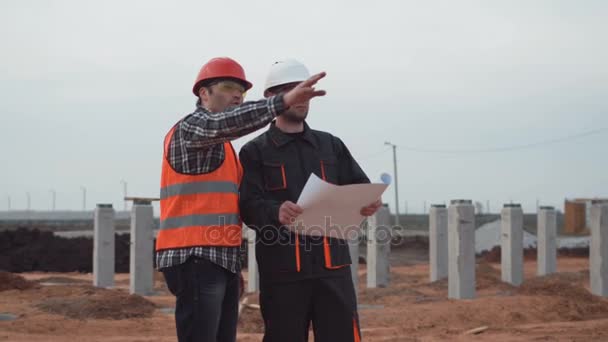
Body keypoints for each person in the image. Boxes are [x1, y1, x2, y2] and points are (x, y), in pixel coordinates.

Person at [156, 56, 326, 342]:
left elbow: (226, 206)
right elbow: (231, 122)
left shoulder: (222, 147)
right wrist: (284, 101)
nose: (237, 94)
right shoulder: (192, 130)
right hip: (194, 256)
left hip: (217, 259)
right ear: (203, 93)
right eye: (228, 86)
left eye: (242, 91)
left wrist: (232, 268)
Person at [239, 59, 382, 342]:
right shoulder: (255, 152)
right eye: (294, 90)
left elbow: (360, 187)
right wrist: (274, 210)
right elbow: (247, 205)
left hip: (333, 269)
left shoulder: (331, 145)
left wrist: (366, 204)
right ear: (272, 97)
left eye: (307, 91)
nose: (303, 98)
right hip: (283, 273)